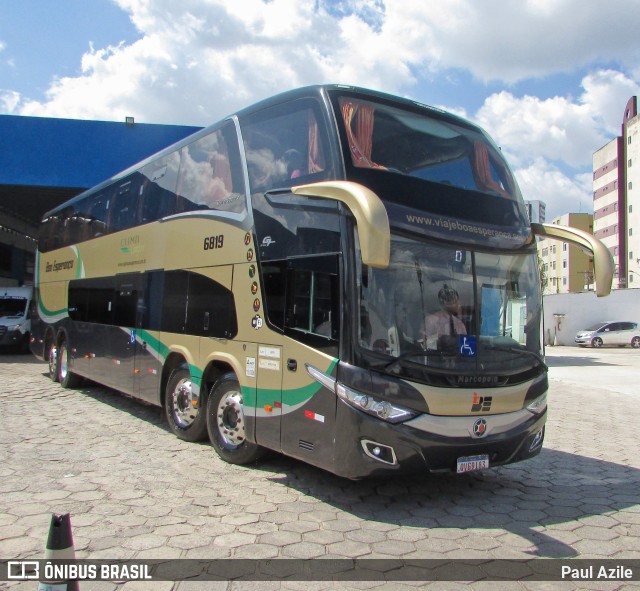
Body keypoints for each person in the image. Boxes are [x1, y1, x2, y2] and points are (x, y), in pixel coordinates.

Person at [423, 284, 466, 350]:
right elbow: (424, 344)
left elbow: (465, 346)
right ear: (446, 303)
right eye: (455, 302)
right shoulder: (431, 320)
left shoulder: (460, 324)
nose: (459, 305)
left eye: (458, 301)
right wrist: (439, 339)